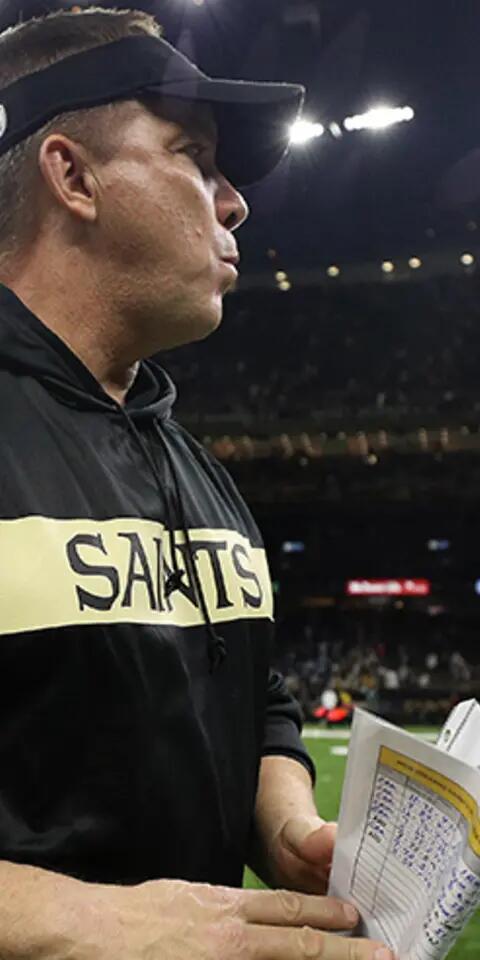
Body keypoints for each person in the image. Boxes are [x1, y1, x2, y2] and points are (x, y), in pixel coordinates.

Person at [0, 7, 394, 959]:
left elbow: (256, 705)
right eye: (194, 156)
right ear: (73, 176)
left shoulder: (194, 465)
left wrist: (289, 828)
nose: (235, 203)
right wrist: (82, 920)